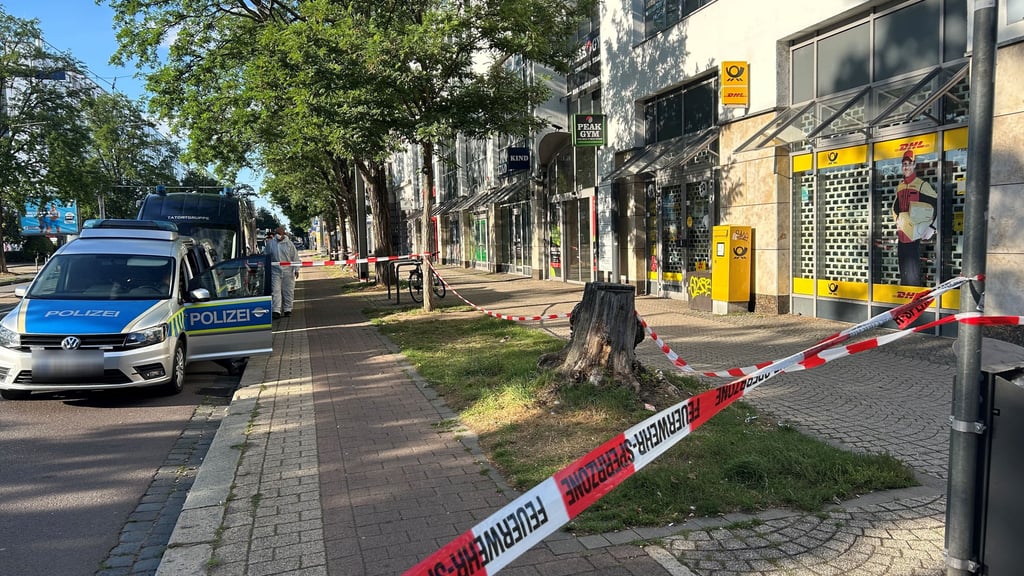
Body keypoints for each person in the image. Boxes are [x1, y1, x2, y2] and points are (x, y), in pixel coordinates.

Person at [891, 150, 937, 287]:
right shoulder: (899, 186)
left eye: (909, 164)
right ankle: (905, 303)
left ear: (914, 165)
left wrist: (933, 227)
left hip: (916, 235)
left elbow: (937, 205)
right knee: (903, 271)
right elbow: (895, 208)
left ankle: (914, 302)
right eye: (904, 164)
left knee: (913, 273)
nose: (906, 167)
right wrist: (897, 221)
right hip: (902, 235)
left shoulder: (922, 185)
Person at [265, 226, 299, 318]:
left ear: (284, 234)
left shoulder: (289, 244)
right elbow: (266, 256)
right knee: (275, 291)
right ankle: (276, 310)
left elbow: (295, 257)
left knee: (288, 290)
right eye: (276, 233)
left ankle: (287, 309)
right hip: (275, 271)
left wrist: (296, 269)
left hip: (288, 271)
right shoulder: (271, 244)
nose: (278, 236)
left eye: (280, 234)